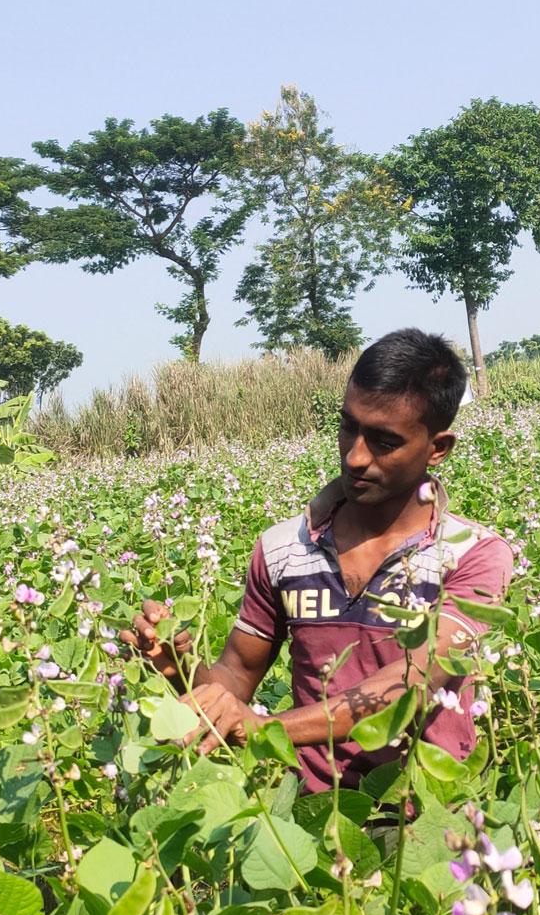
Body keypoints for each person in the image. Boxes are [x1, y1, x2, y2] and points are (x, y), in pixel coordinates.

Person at [120, 328, 515, 792]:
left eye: (384, 441)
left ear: (437, 448)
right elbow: (237, 676)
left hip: (429, 819)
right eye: (349, 426)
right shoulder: (283, 548)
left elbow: (412, 685)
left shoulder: (473, 555)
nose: (355, 456)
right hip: (310, 811)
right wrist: (179, 667)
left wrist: (267, 729)